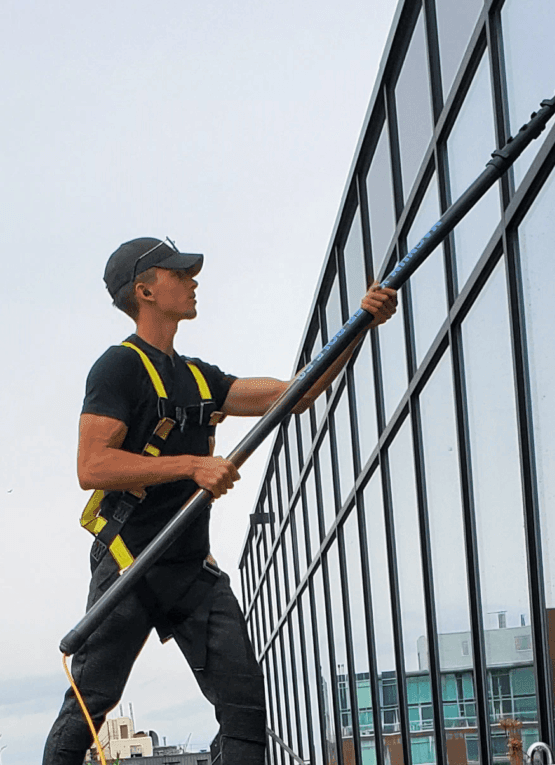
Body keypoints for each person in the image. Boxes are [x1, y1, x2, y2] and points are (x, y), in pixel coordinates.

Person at [43, 237, 398, 765]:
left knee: (245, 712)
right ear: (144, 290)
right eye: (178, 273)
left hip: (190, 570)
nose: (192, 281)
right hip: (129, 564)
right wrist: (191, 465)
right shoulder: (118, 368)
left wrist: (359, 327)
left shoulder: (197, 377)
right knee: (91, 708)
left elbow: (294, 394)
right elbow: (92, 466)